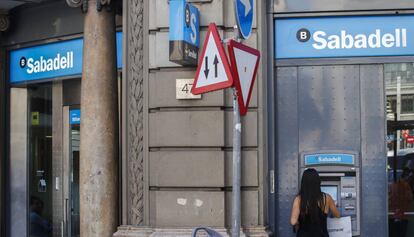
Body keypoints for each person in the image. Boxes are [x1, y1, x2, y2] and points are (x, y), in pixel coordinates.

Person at [290, 168, 340, 237]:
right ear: (318, 181)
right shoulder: (327, 198)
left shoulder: (299, 199)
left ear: (304, 183)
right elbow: (337, 215)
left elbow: (293, 221)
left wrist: (300, 221)